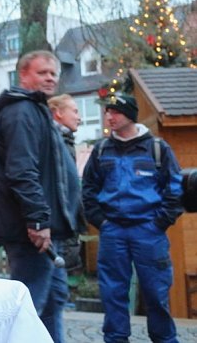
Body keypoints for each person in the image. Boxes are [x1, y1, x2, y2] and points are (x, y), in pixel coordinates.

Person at [0, 50, 81, 343]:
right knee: (29, 308)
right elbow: (22, 170)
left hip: (44, 229)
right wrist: (37, 219)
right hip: (31, 232)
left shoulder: (35, 110)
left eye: (53, 73)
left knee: (53, 299)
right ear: (23, 75)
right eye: (41, 72)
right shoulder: (22, 112)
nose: (49, 78)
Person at [82, 94, 183, 343]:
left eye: (115, 112)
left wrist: (160, 222)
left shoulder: (157, 149)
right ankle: (116, 339)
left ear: (130, 115)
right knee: (112, 293)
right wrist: (102, 222)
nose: (109, 117)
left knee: (156, 292)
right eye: (107, 112)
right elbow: (88, 190)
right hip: (113, 231)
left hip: (148, 231)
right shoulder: (101, 150)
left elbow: (175, 188)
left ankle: (164, 340)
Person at [48, 93, 86, 273]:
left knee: (59, 291)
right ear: (58, 113)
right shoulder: (54, 142)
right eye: (75, 111)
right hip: (57, 227)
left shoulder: (65, 140)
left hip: (63, 226)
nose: (79, 117)